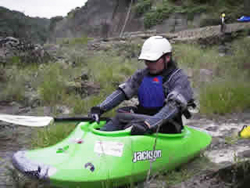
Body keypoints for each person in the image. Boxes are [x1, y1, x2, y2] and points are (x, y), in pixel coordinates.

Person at [90, 36, 194, 135]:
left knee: (132, 127)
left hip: (166, 123)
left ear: (167, 58)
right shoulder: (141, 75)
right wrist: (99, 109)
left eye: (153, 61)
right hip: (141, 118)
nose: (148, 64)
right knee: (118, 119)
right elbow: (122, 92)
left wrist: (148, 125)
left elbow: (173, 107)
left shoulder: (178, 78)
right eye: (147, 60)